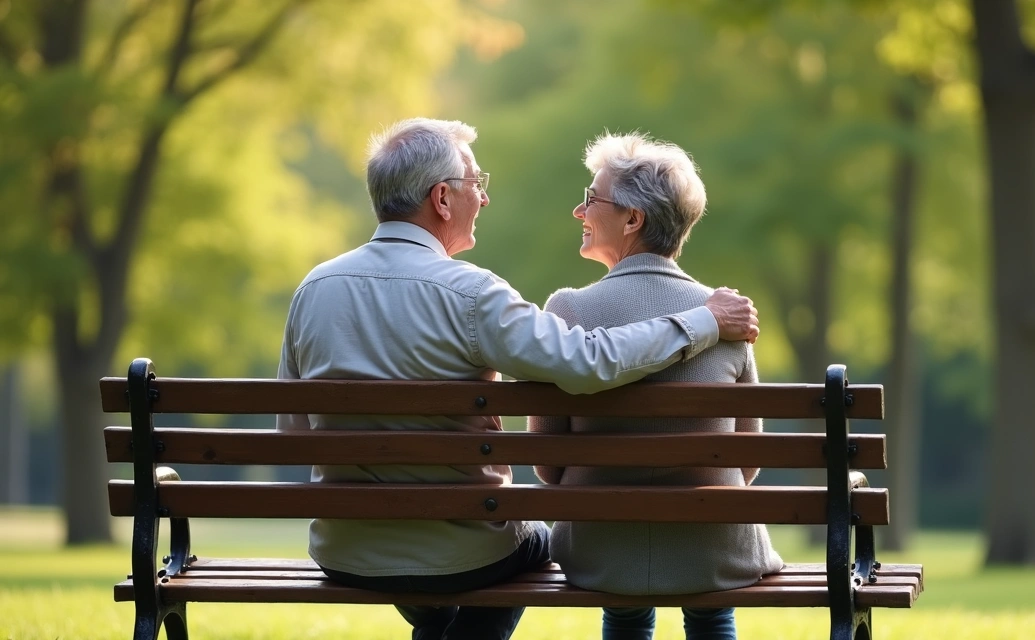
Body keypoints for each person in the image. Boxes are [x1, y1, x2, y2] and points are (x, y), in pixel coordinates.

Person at [276, 118, 761, 640]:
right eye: (476, 185)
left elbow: (294, 434)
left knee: (476, 568)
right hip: (464, 554)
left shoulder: (313, 288)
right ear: (442, 198)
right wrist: (704, 321)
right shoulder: (472, 294)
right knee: (531, 546)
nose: (482, 199)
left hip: (345, 552)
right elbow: (587, 363)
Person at [528, 132, 784, 640]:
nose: (580, 212)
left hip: (600, 550)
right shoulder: (728, 316)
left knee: (623, 606)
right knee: (712, 611)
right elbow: (747, 462)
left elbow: (548, 467)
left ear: (632, 218)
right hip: (713, 547)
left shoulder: (567, 312)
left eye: (590, 199)